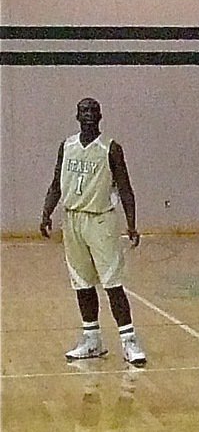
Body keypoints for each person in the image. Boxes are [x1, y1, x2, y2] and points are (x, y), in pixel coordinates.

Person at [40, 97, 147, 366]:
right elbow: (56, 182)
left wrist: (132, 224)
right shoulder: (67, 146)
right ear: (77, 116)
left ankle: (129, 341)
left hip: (100, 221)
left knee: (112, 283)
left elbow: (125, 188)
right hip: (72, 219)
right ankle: (92, 340)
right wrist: (46, 212)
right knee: (82, 283)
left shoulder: (110, 148)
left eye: (93, 110)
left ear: (100, 115)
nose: (88, 114)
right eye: (83, 110)